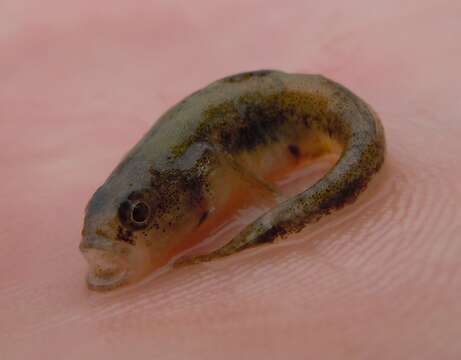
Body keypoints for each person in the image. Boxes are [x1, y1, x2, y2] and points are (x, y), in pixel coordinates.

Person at [1, 1, 460, 358]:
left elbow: (219, 171)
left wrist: (258, 211)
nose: (112, 240)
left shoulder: (202, 165)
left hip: (308, 116)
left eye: (137, 216)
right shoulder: (172, 175)